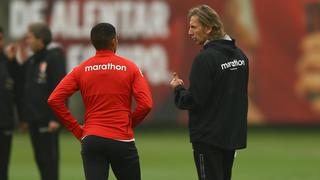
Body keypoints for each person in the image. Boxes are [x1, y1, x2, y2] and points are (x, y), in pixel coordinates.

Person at [48, 22, 152, 180]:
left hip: (92, 138)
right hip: (121, 139)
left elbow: (54, 99)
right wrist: (129, 123)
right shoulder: (130, 68)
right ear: (114, 41)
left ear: (93, 42)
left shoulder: (81, 69)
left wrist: (77, 130)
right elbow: (146, 104)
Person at [170, 5, 248, 180]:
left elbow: (194, 100)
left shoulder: (205, 59)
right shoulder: (240, 56)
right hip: (231, 135)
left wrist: (178, 89)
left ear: (209, 28)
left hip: (208, 137)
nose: (189, 32)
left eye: (193, 27)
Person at [8, 22, 66, 180]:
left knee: (49, 163)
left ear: (40, 39)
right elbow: (20, 79)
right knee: (41, 161)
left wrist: (55, 118)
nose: (27, 41)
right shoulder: (34, 60)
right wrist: (13, 61)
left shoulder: (53, 57)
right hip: (34, 119)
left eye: (30, 37)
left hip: (48, 120)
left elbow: (61, 89)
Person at [0, 26, 16, 180]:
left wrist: (13, 62)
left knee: (3, 166)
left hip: (4, 121)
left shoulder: (7, 61)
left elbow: (18, 86)